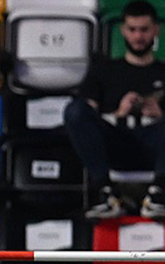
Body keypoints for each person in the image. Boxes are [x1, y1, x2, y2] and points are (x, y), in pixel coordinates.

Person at [64, 0, 165, 219]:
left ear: (156, 30)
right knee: (74, 110)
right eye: (132, 29)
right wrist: (119, 113)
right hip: (116, 142)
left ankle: (159, 194)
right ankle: (105, 193)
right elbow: (83, 117)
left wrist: (159, 114)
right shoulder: (103, 71)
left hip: (156, 145)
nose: (138, 36)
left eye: (144, 30)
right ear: (122, 30)